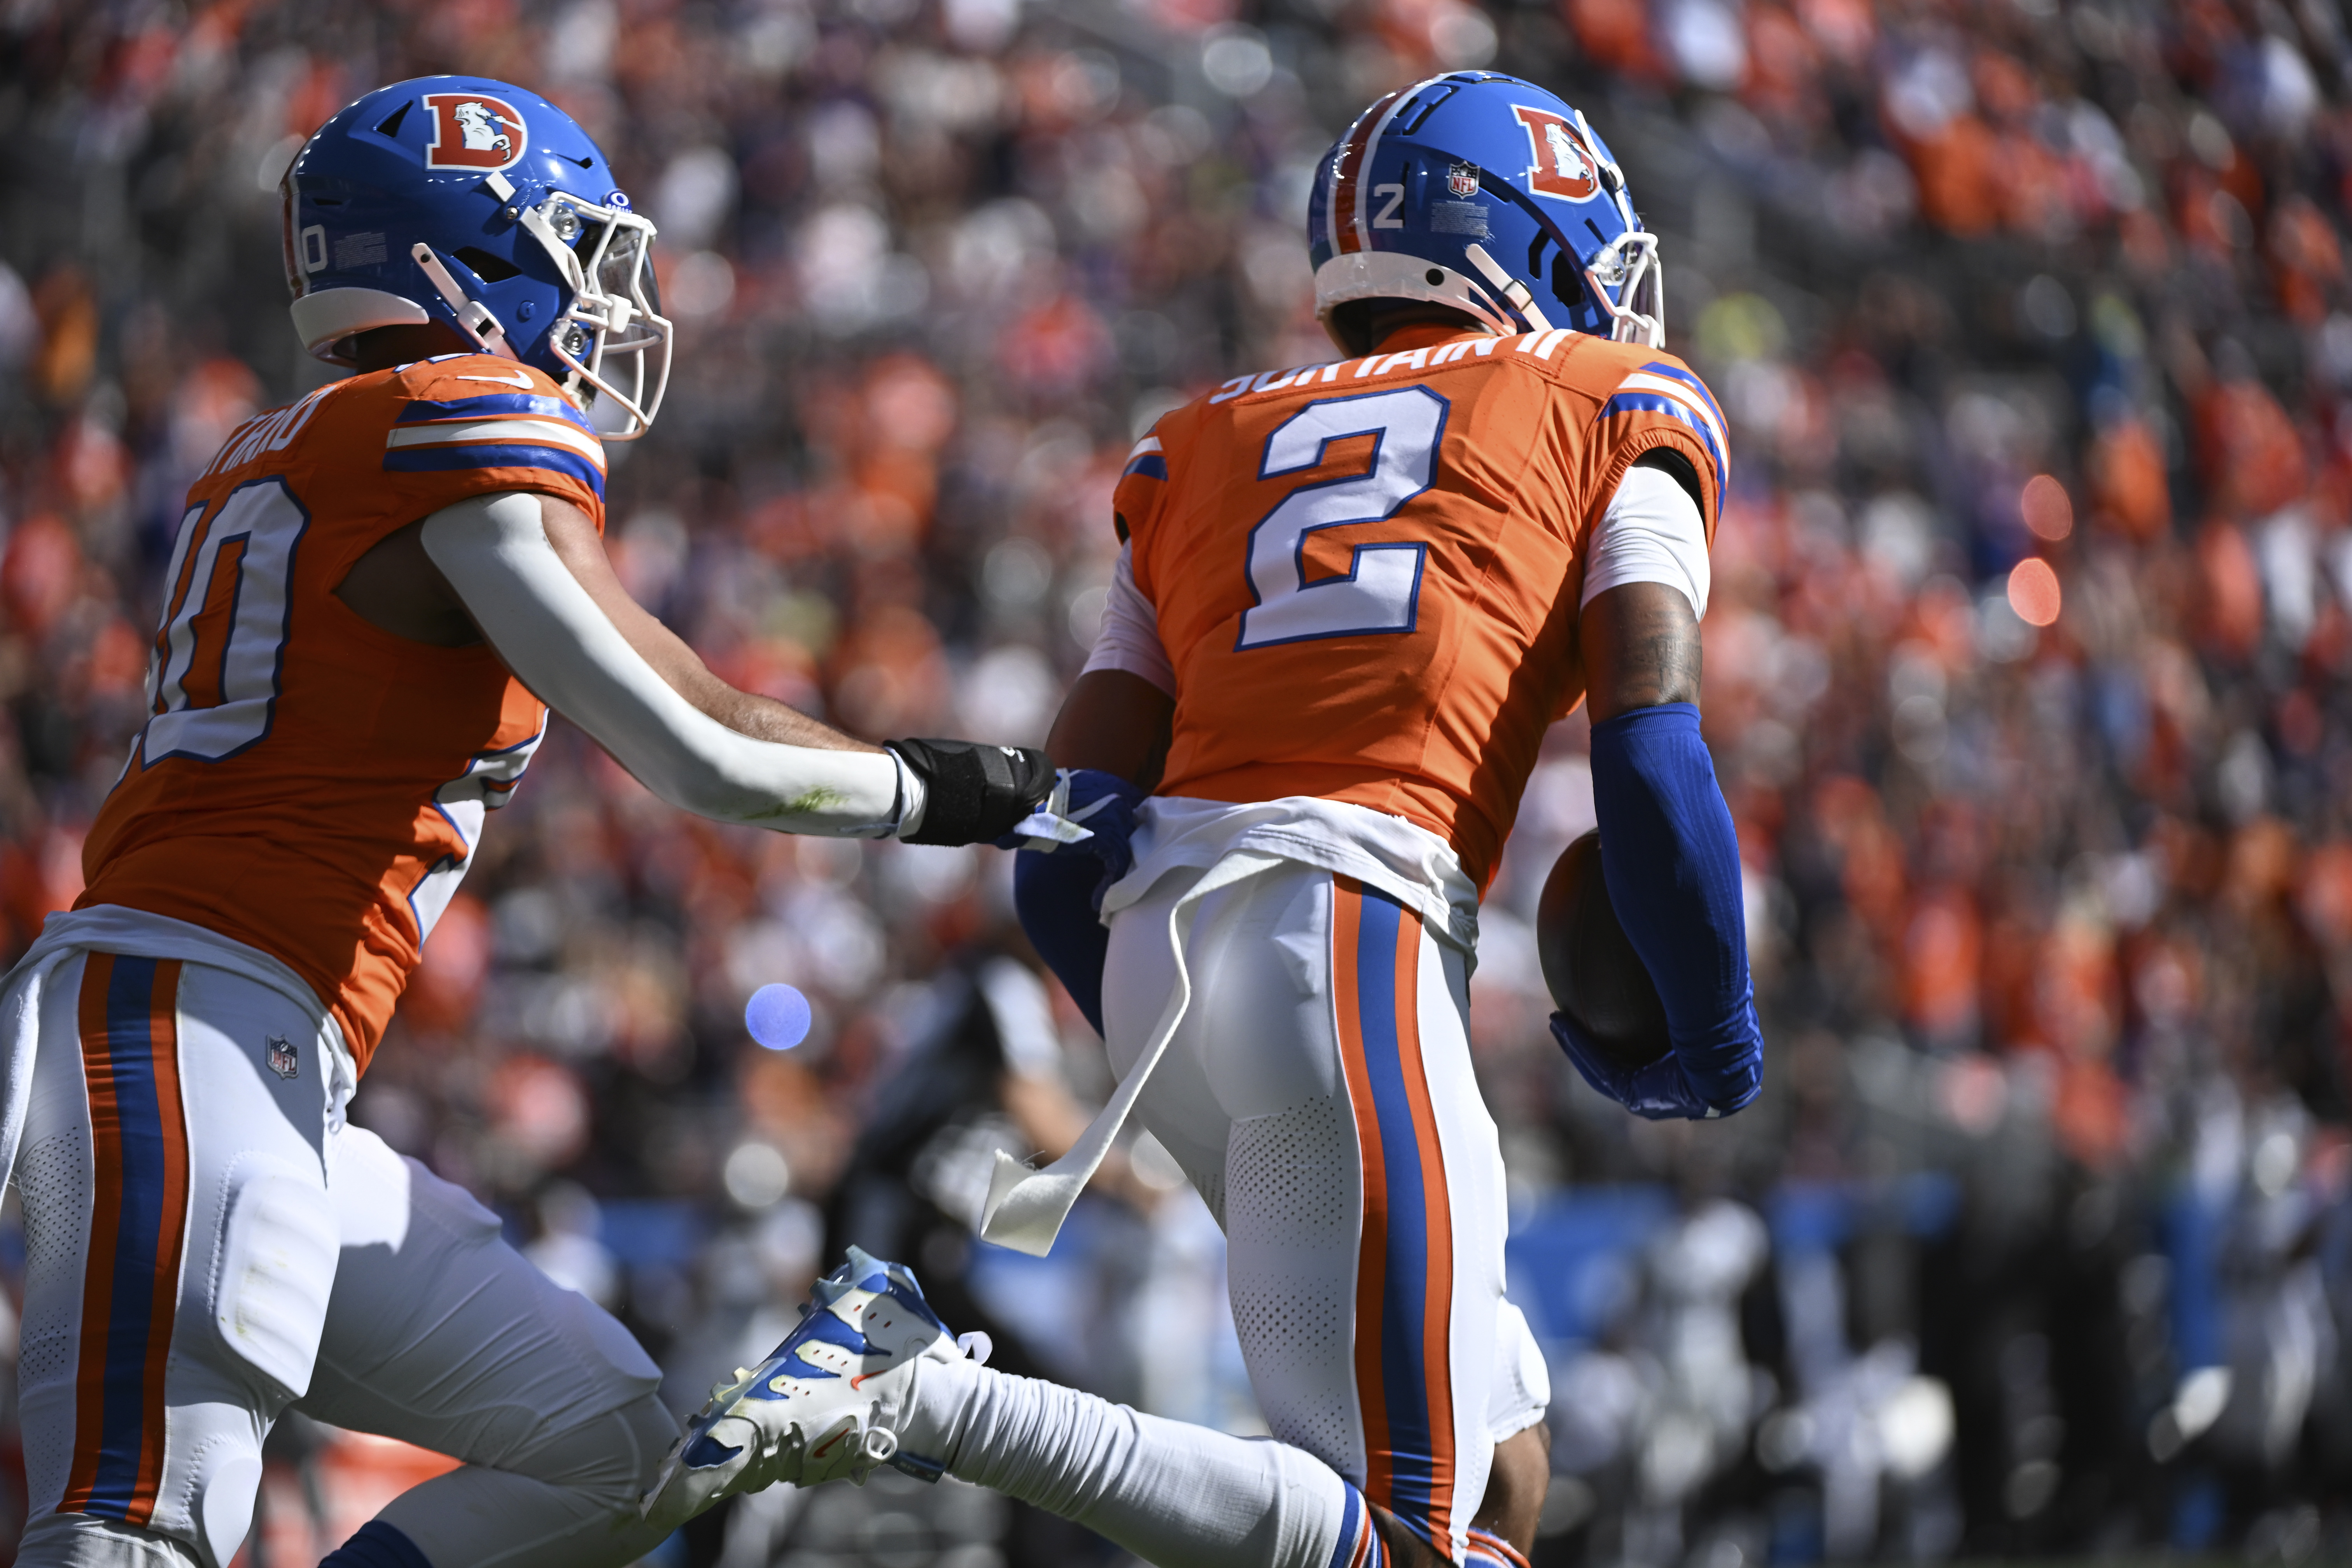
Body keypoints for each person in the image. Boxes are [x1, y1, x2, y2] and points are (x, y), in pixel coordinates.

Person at [642, 69, 1765, 1568]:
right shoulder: (1613, 402)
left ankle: (925, 1388)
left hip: (1162, 955)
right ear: (1526, 233)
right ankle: (921, 1393)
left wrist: (1152, 1034)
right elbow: (1652, 751)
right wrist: (1714, 1032)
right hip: (1349, 935)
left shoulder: (1196, 447)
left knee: (1503, 1475)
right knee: (1411, 1537)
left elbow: (1073, 824)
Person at [0, 75, 1051, 1568]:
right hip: (191, 1027)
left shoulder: (297, 445)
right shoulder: (457, 414)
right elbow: (704, 749)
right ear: (454, 256)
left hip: (262, 1061)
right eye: (571, 247)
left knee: (611, 1457)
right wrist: (977, 794)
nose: (599, 296)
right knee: (135, 1533)